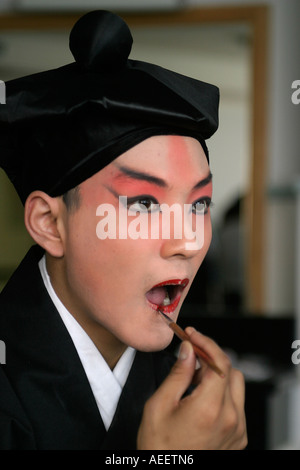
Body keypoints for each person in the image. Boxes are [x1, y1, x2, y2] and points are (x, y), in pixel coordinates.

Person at [0, 10, 247, 450]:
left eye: (200, 204)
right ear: (49, 223)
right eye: (146, 204)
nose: (189, 241)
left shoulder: (201, 396)